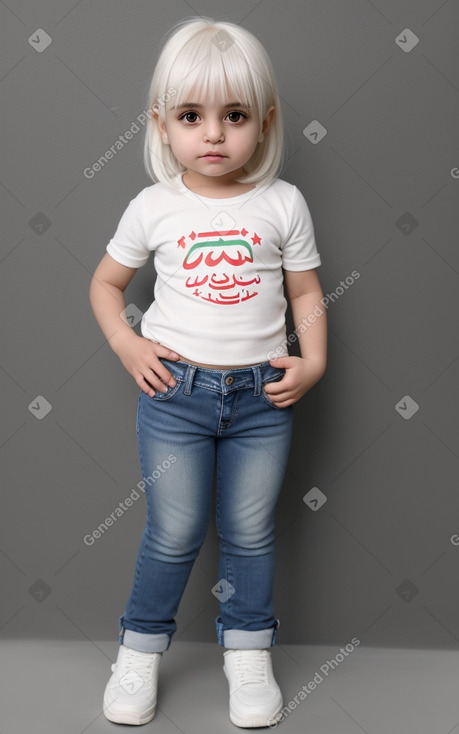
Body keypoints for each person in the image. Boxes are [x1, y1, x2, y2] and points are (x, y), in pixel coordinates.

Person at [89, 16, 327, 728]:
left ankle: (247, 656)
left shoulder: (282, 203)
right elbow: (105, 285)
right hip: (175, 396)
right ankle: (137, 653)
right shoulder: (153, 207)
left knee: (251, 532)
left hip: (262, 399)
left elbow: (306, 293)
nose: (214, 134)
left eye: (234, 116)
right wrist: (128, 345)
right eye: (192, 116)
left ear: (265, 121)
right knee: (175, 529)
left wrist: (312, 361)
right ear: (162, 125)